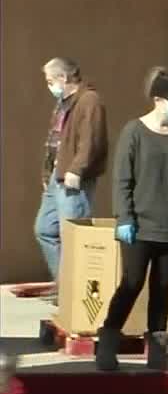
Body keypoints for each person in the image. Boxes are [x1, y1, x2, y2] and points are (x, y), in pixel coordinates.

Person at [95, 70, 168, 373]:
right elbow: (122, 180)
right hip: (140, 227)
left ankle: (158, 354)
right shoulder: (134, 132)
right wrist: (124, 218)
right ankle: (107, 342)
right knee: (132, 283)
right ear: (157, 100)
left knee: (163, 286)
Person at [34, 57, 109, 285]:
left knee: (72, 235)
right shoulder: (63, 103)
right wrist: (47, 175)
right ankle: (65, 284)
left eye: (50, 80)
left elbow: (91, 139)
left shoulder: (89, 100)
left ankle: (73, 290)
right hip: (56, 178)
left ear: (63, 77)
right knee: (45, 229)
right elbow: (54, 142)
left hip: (72, 178)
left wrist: (77, 169)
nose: (49, 86)